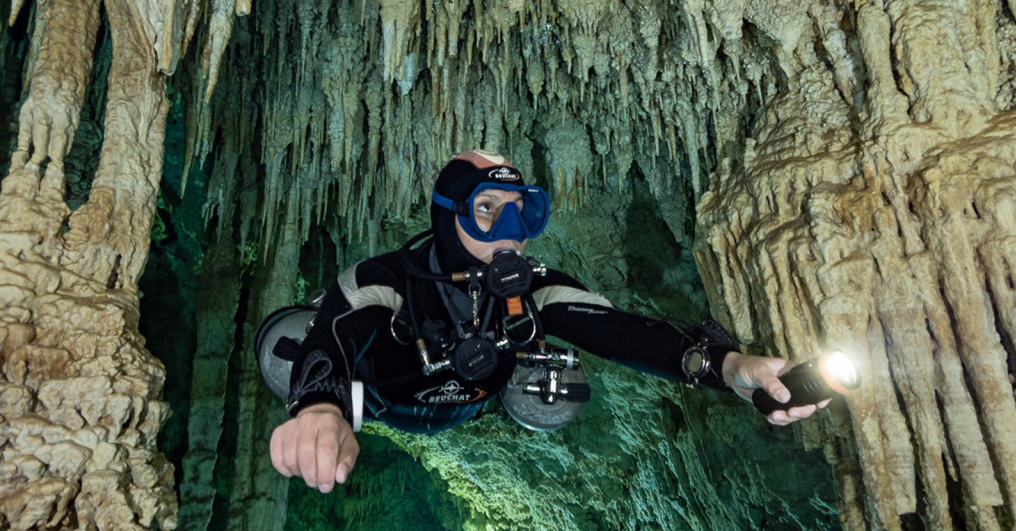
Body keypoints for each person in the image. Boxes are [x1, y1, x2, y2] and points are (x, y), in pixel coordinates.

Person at [268, 151, 830, 493]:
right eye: (487, 210)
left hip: (476, 401)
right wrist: (319, 408)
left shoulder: (536, 289)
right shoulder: (385, 280)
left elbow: (623, 333)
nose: (510, 231)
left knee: (554, 390)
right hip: (377, 400)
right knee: (293, 341)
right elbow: (336, 332)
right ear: (447, 216)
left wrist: (726, 367)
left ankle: (517, 392)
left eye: (520, 211)